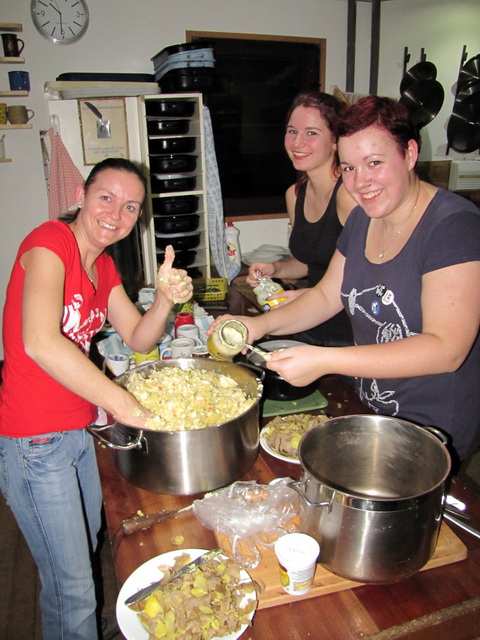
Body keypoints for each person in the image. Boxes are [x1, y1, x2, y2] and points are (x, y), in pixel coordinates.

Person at [209, 96, 480, 466]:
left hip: (431, 427)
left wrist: (326, 360)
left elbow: (447, 349)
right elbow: (325, 296)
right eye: (349, 167)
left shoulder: (453, 227)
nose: (360, 182)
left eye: (374, 163)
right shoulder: (362, 220)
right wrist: (258, 325)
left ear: (410, 154)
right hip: (373, 407)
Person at [0, 158, 192, 640]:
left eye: (131, 207)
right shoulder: (50, 243)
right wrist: (128, 408)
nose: (116, 214)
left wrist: (165, 300)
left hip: (77, 428)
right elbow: (40, 342)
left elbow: (139, 338)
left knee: (84, 550)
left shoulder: (102, 266)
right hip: (33, 439)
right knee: (72, 588)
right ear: (82, 195)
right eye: (106, 197)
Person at [246, 91, 356, 346]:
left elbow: (369, 275)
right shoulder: (295, 195)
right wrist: (275, 269)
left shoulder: (349, 195)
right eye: (292, 131)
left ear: (335, 141)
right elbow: (307, 262)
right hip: (307, 325)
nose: (297, 142)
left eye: (311, 133)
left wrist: (310, 295)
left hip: (349, 334)